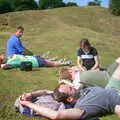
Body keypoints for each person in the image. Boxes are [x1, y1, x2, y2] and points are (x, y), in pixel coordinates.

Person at [19, 58, 120, 120]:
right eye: (70, 89)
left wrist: (31, 94)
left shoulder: (77, 93)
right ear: (70, 99)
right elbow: (56, 115)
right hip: (116, 102)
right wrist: (28, 104)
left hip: (111, 87)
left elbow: (45, 91)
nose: (72, 86)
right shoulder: (81, 107)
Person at [0, 54, 72, 69]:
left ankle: (62, 62)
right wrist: (2, 65)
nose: (2, 55)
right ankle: (65, 63)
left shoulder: (9, 58)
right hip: (35, 62)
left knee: (48, 61)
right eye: (1, 56)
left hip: (33, 58)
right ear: (2, 60)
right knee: (51, 64)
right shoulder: (9, 63)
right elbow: (4, 66)